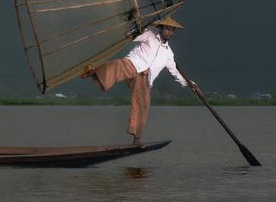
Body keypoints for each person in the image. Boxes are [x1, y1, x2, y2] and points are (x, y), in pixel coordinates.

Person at [81, 16, 198, 144]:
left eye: (172, 30)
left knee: (142, 105)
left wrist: (189, 83)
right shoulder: (150, 33)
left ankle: (136, 138)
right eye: (167, 29)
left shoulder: (169, 54)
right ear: (161, 28)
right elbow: (132, 36)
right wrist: (134, 25)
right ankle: (94, 72)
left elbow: (175, 72)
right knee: (117, 66)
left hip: (145, 77)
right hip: (134, 63)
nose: (169, 32)